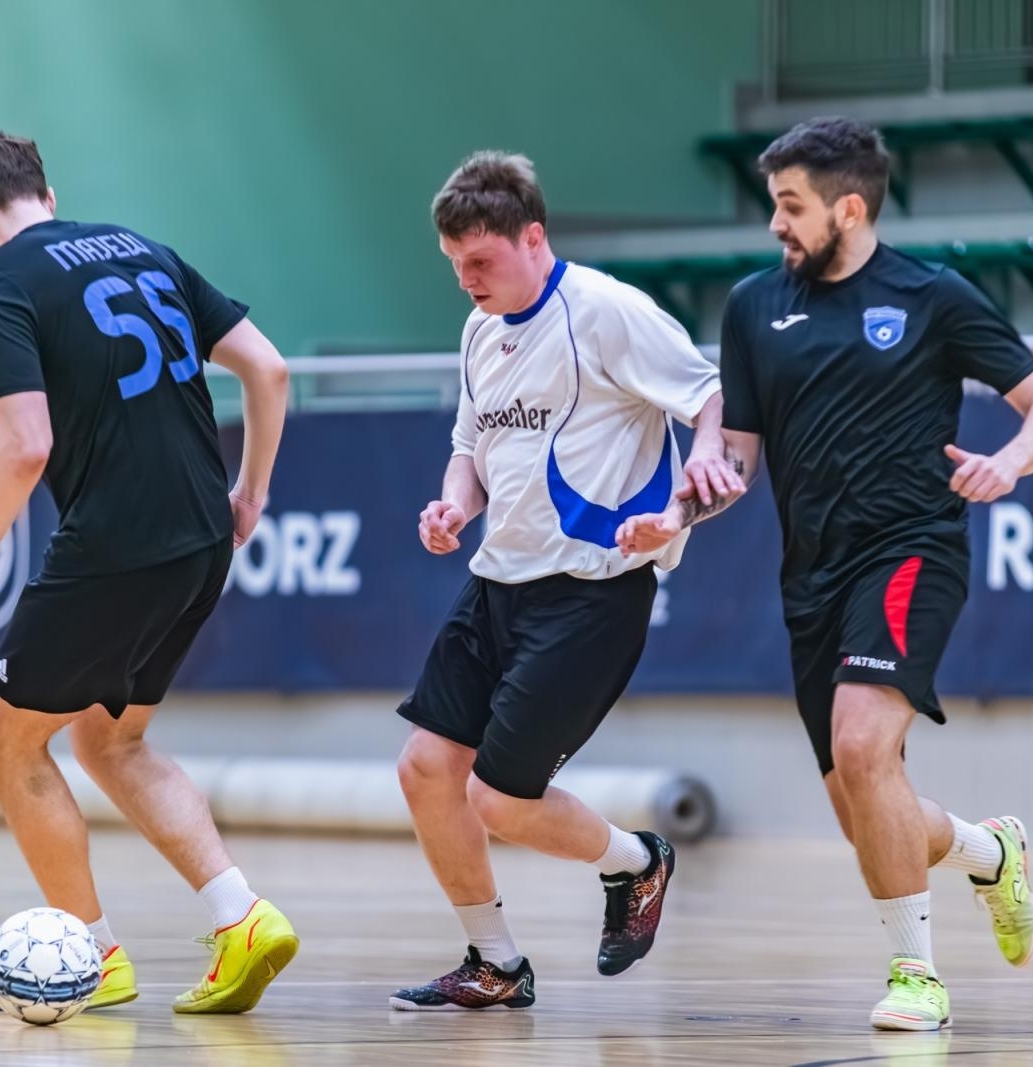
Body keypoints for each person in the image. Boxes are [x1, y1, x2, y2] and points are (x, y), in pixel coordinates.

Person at [618, 116, 1033, 1031]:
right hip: (812, 574)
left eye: (791, 206)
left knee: (866, 749)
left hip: (912, 551)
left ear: (850, 207)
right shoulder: (753, 306)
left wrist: (1009, 461)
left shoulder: (932, 296)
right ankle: (991, 854)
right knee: (859, 800)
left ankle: (918, 975)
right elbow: (734, 463)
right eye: (773, 204)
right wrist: (679, 510)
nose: (776, 224)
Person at [0, 131, 297, 1016]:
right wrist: (250, 490)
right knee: (109, 738)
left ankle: (89, 953)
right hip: (203, 535)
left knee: (2, 743)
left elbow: (26, 444)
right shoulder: (142, 247)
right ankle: (243, 920)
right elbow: (269, 370)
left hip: (116, 542)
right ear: (48, 191)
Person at [389, 151, 744, 1011]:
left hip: (591, 592)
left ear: (533, 237)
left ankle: (637, 862)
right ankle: (495, 962)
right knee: (426, 770)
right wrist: (451, 507)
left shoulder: (605, 312)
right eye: (455, 265)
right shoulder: (481, 330)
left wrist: (700, 461)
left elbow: (712, 392)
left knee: (501, 800)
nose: (466, 280)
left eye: (481, 261)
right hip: (495, 583)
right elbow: (470, 450)